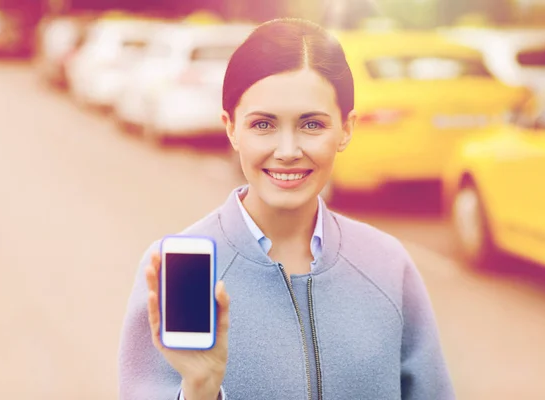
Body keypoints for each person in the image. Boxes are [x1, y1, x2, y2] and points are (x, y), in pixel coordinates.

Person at [118, 18, 455, 400]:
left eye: (312, 124)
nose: (288, 150)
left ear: (346, 128)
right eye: (263, 124)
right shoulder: (178, 273)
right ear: (231, 128)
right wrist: (200, 390)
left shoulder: (388, 265)